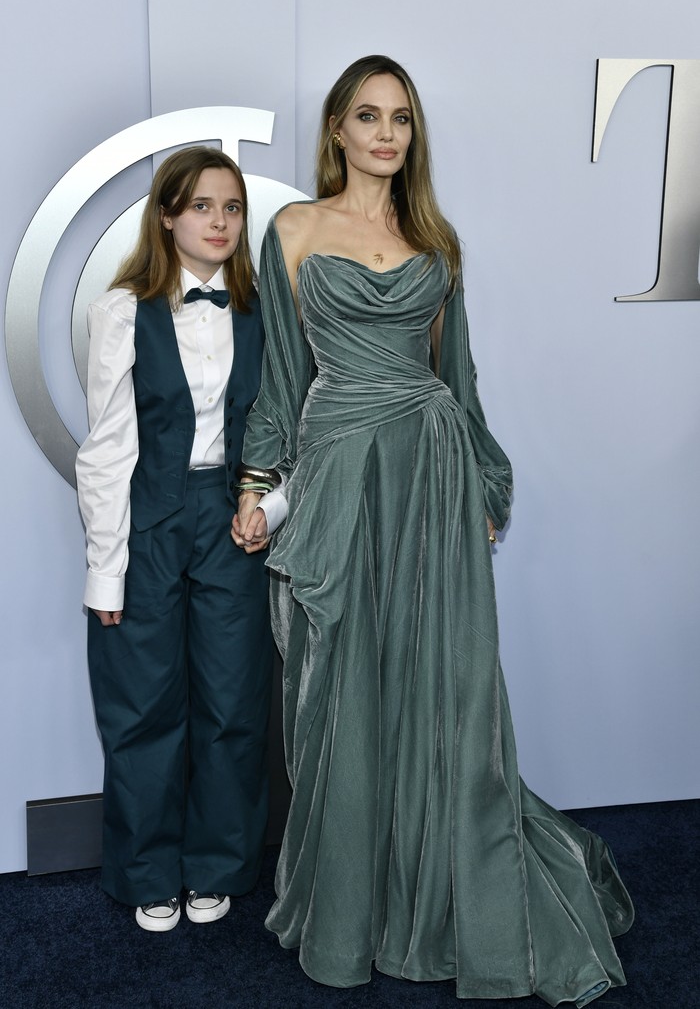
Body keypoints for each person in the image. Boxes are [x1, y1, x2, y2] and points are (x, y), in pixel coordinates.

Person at [232, 55, 634, 1004]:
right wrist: (259, 486)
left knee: (445, 687)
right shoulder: (291, 229)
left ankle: (456, 884)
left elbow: (459, 374)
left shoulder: (437, 241)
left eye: (400, 119)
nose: (384, 133)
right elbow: (282, 381)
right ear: (335, 129)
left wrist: (487, 479)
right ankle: (352, 907)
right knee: (344, 687)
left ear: (412, 135)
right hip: (339, 473)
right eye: (366, 116)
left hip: (433, 475)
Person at [76, 146, 285, 932]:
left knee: (233, 702)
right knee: (142, 705)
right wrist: (105, 571)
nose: (220, 221)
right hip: (148, 517)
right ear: (167, 216)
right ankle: (146, 870)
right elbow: (104, 449)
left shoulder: (269, 313)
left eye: (231, 207)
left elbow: (293, 431)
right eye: (202, 206)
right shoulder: (122, 311)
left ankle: (218, 864)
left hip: (236, 522)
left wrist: (272, 505)